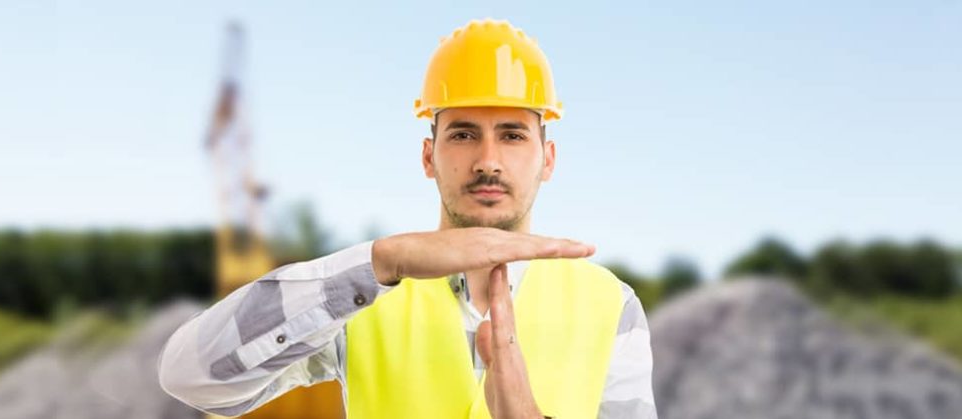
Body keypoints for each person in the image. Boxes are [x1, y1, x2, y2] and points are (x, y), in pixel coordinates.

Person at [158, 18, 657, 419]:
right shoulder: (360, 297)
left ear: (548, 159)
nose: (487, 160)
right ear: (427, 157)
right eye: (462, 134)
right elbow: (188, 375)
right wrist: (381, 262)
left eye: (512, 134)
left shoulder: (612, 307)